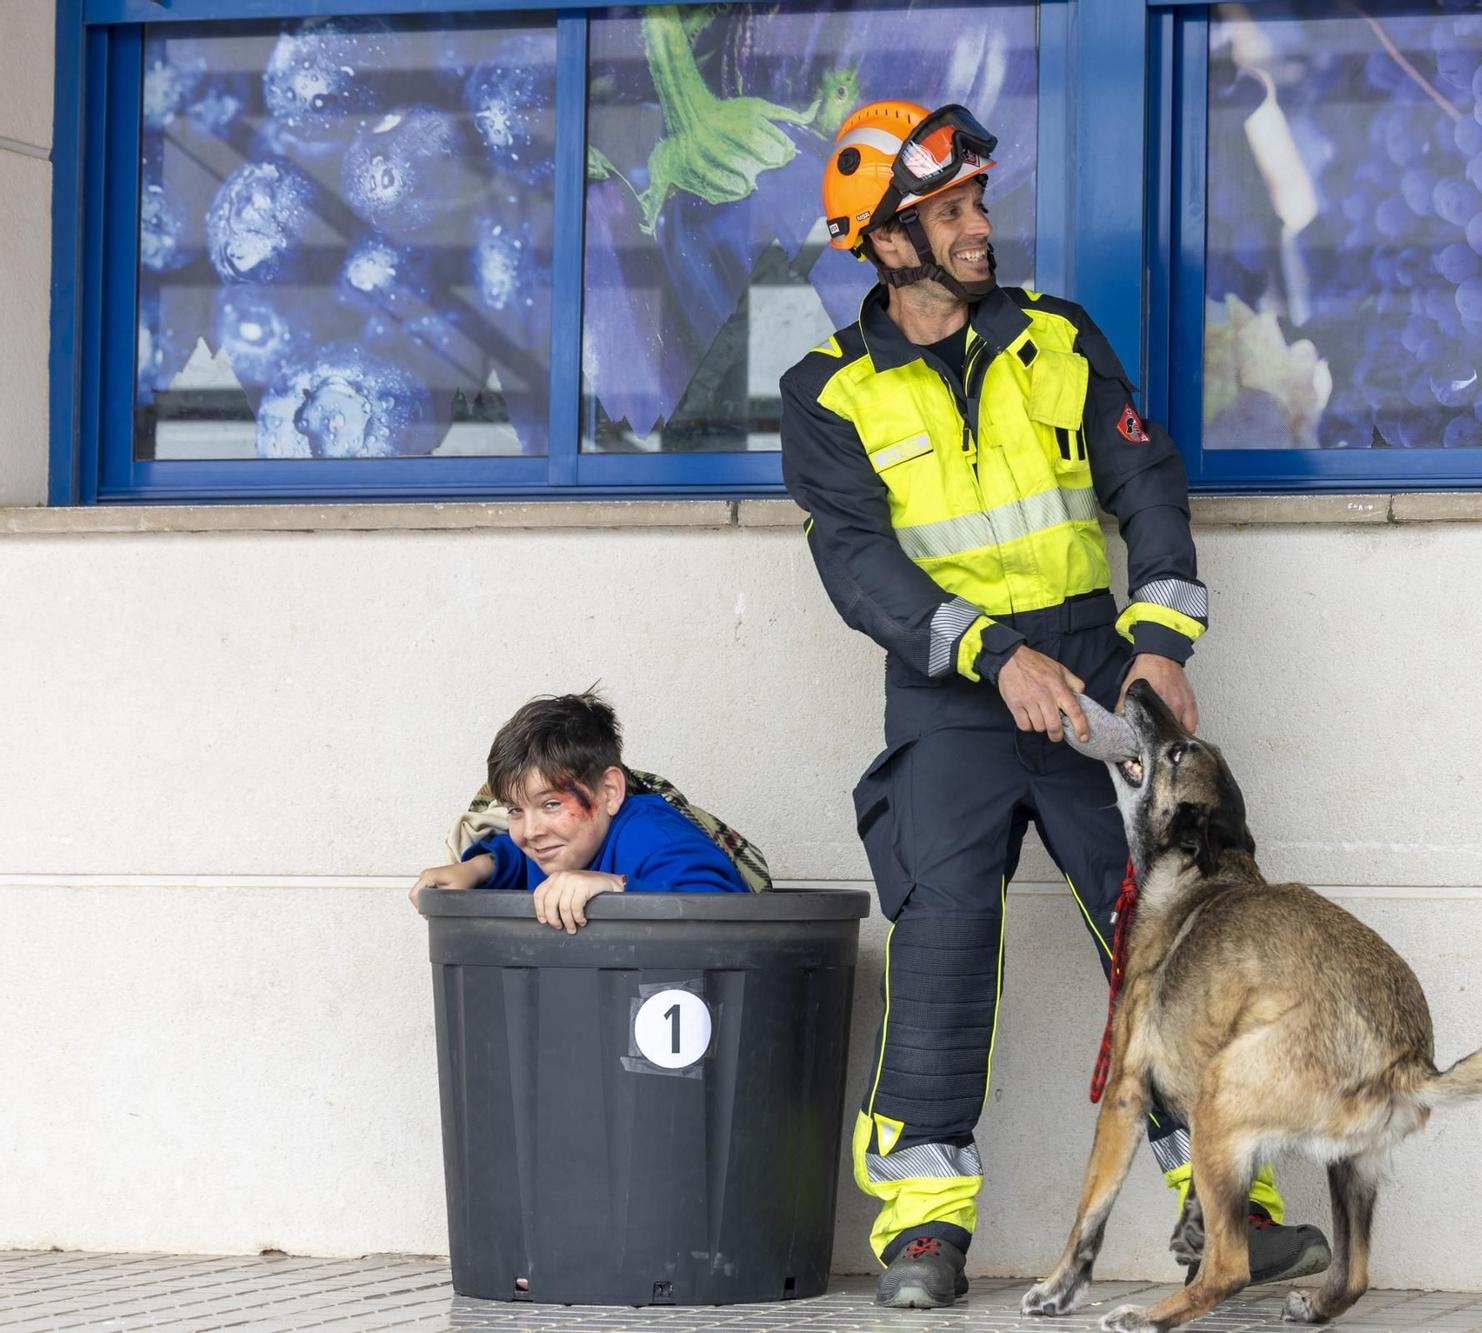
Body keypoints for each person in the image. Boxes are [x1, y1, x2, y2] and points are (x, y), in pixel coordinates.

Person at [779, 99, 1329, 1309]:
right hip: (950, 697)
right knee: (941, 937)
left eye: (978, 204)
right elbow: (862, 570)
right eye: (952, 213)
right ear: (884, 243)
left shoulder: (1055, 338)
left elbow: (1145, 484)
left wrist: (1158, 637)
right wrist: (989, 656)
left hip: (1095, 673)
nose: (982, 228)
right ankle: (922, 1228)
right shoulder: (825, 393)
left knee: (1177, 931)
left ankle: (1231, 1206)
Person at [409, 691, 752, 931]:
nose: (531, 831)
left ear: (610, 792)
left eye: (552, 804)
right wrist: (477, 868)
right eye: (515, 809)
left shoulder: (653, 835)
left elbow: (725, 912)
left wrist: (615, 888)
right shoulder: (554, 844)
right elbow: (515, 853)